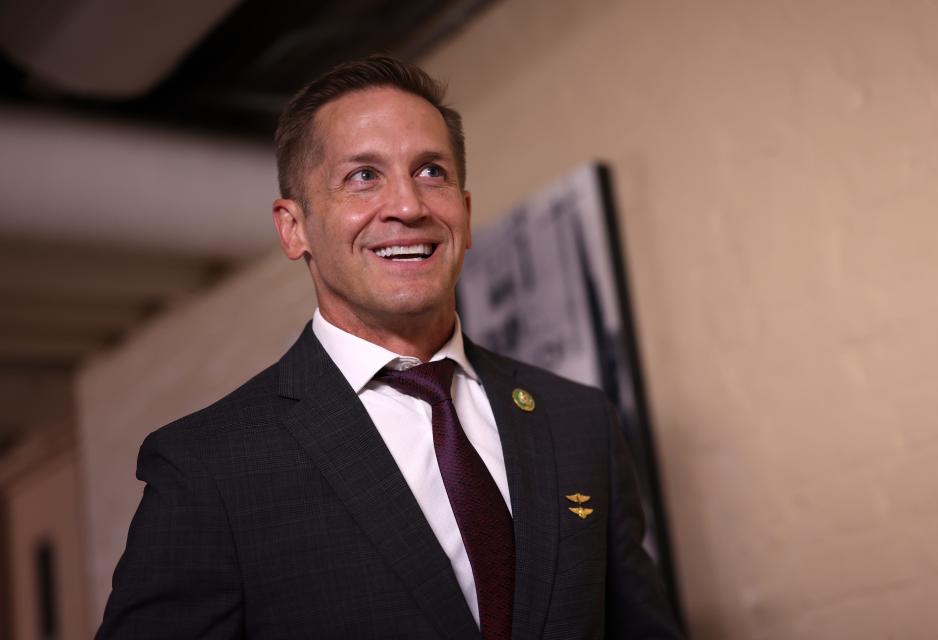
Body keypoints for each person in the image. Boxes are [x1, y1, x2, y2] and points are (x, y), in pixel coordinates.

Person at [96, 54, 684, 639]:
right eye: (363, 176)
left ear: (466, 212)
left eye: (431, 172)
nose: (408, 206)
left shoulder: (578, 421)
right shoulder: (208, 468)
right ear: (293, 228)